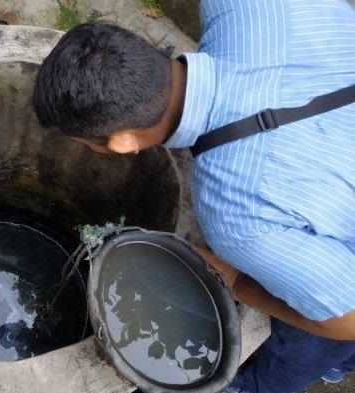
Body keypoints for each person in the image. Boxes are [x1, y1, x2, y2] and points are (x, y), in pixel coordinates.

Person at [32, 1, 355, 391]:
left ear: (122, 142)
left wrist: (235, 279)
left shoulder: (239, 215)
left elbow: (347, 317)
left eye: (85, 144)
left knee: (309, 337)